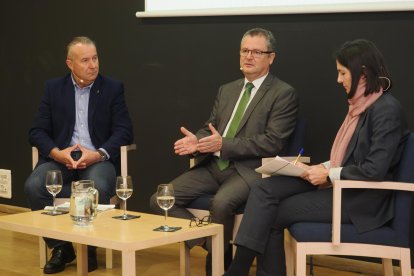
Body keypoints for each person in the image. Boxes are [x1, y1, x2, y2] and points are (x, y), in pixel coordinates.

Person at [224, 39, 410, 276]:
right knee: (265, 189)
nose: (339, 80)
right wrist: (319, 167)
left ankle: (237, 270)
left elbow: (374, 170)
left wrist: (329, 173)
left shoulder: (386, 110)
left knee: (272, 214)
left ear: (362, 73)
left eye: (343, 73)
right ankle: (238, 270)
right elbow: (350, 157)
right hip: (343, 187)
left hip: (359, 202)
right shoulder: (362, 106)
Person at [149, 28, 299, 275]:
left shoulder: (283, 93)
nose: (248, 56)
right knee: (161, 199)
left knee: (221, 204)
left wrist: (223, 145)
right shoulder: (227, 90)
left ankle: (218, 268)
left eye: (256, 52)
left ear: (271, 57)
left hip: (248, 171)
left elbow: (273, 142)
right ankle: (208, 243)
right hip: (212, 166)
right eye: (244, 51)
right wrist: (197, 143)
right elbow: (211, 129)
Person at [24, 36, 133, 274]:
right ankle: (62, 248)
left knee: (100, 184)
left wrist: (98, 154)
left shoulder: (112, 88)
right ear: (70, 64)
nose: (93, 65)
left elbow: (125, 131)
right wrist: (57, 153)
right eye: (85, 60)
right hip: (62, 159)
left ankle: (90, 247)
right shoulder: (53, 89)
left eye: (95, 58)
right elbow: (37, 131)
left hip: (96, 159)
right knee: (34, 185)